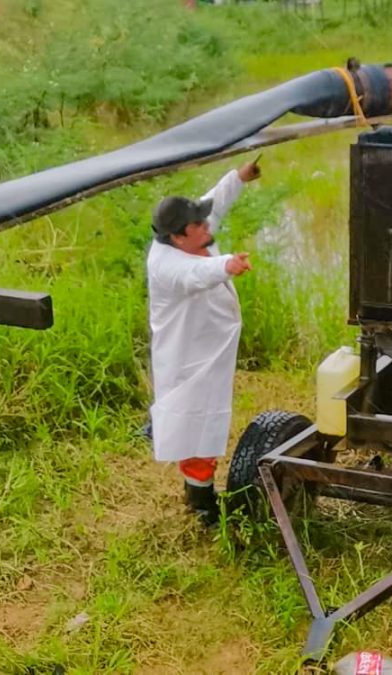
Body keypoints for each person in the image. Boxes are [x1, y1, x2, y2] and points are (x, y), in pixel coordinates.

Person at [147, 160, 261, 524]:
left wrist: (239, 177)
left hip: (209, 349)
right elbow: (194, 275)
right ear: (179, 237)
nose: (206, 226)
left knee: (203, 427)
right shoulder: (166, 264)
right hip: (189, 361)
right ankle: (202, 508)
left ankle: (197, 494)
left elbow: (215, 201)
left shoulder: (191, 232)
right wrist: (227, 265)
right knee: (196, 430)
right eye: (198, 225)